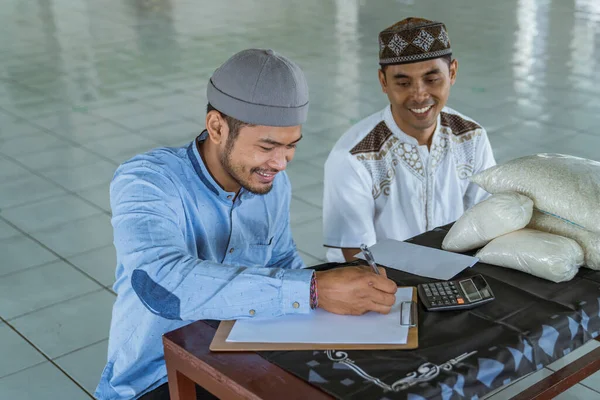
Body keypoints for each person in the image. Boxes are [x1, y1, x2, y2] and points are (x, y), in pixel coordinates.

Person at [95, 48, 398, 400]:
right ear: (217, 127)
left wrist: (338, 304)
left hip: (244, 358)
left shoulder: (271, 182)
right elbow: (160, 282)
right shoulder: (147, 180)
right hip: (156, 378)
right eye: (268, 146)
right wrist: (315, 290)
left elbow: (283, 263)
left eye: (290, 147)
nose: (281, 162)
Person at [323, 18, 496, 262]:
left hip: (455, 273)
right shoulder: (354, 157)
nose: (419, 95)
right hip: (382, 283)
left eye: (432, 79)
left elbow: (485, 218)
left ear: (452, 72)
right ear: (383, 82)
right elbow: (357, 256)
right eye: (403, 83)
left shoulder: (471, 137)